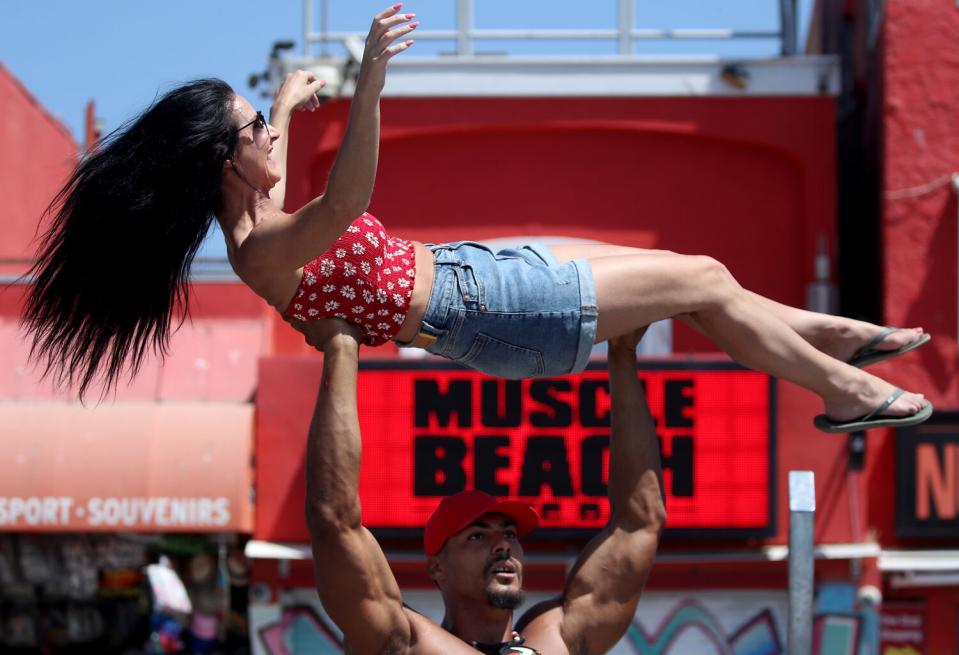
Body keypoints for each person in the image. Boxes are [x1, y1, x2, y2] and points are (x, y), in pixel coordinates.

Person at [22, 4, 932, 432]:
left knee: (704, 282)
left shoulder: (256, 215)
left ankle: (829, 336)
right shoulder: (262, 249)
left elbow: (281, 179)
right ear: (225, 165)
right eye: (257, 129)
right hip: (488, 308)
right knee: (694, 280)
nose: (271, 133)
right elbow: (342, 204)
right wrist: (368, 89)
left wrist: (288, 103)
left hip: (479, 275)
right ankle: (842, 391)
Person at [303, 318, 665, 655]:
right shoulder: (404, 642)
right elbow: (333, 519)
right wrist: (342, 346)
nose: (503, 546)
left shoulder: (557, 637)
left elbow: (640, 521)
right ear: (437, 568)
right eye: (477, 536)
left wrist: (623, 354)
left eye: (510, 534)